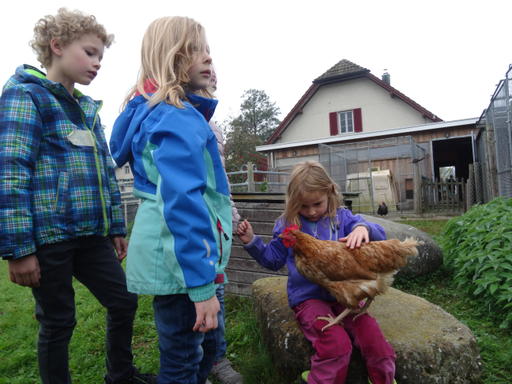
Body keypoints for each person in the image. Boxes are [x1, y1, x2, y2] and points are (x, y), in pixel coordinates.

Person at [0, 8, 156, 384]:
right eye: (89, 52)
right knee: (58, 321)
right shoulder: (26, 96)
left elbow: (105, 172)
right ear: (56, 46)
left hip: (91, 237)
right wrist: (19, 249)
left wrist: (115, 228)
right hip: (49, 240)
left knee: (123, 300)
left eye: (101, 55)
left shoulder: (88, 111)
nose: (97, 62)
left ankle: (119, 375)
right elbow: (10, 169)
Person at [109, 16, 232, 384]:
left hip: (178, 260)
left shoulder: (160, 113)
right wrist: (200, 285)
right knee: (182, 360)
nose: (209, 58)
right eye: (198, 50)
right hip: (181, 266)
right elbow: (183, 203)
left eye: (209, 50)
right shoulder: (177, 119)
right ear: (174, 59)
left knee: (197, 352)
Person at [236, 161, 397, 384]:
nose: (311, 212)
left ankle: (383, 380)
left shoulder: (342, 217)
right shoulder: (287, 225)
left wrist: (363, 229)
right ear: (293, 201)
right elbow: (273, 260)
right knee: (335, 344)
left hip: (347, 296)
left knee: (375, 340)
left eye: (317, 204)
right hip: (308, 299)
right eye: (303, 206)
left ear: (329, 192)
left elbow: (379, 235)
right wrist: (252, 242)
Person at [207, 70, 243, 384]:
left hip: (216, 230)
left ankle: (217, 358)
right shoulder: (171, 118)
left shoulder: (215, 129)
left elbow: (222, 182)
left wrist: (231, 215)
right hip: (191, 226)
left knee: (217, 295)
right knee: (190, 300)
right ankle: (195, 365)